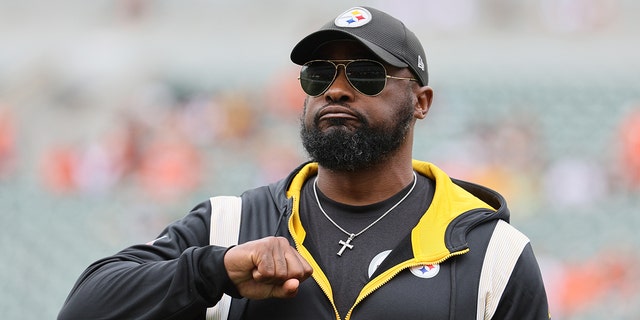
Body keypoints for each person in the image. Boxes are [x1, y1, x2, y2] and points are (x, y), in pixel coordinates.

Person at [58, 6, 550, 320]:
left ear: (421, 101)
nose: (336, 89)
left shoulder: (491, 254)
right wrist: (214, 270)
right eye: (318, 75)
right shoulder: (231, 226)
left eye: (365, 74)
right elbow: (83, 309)